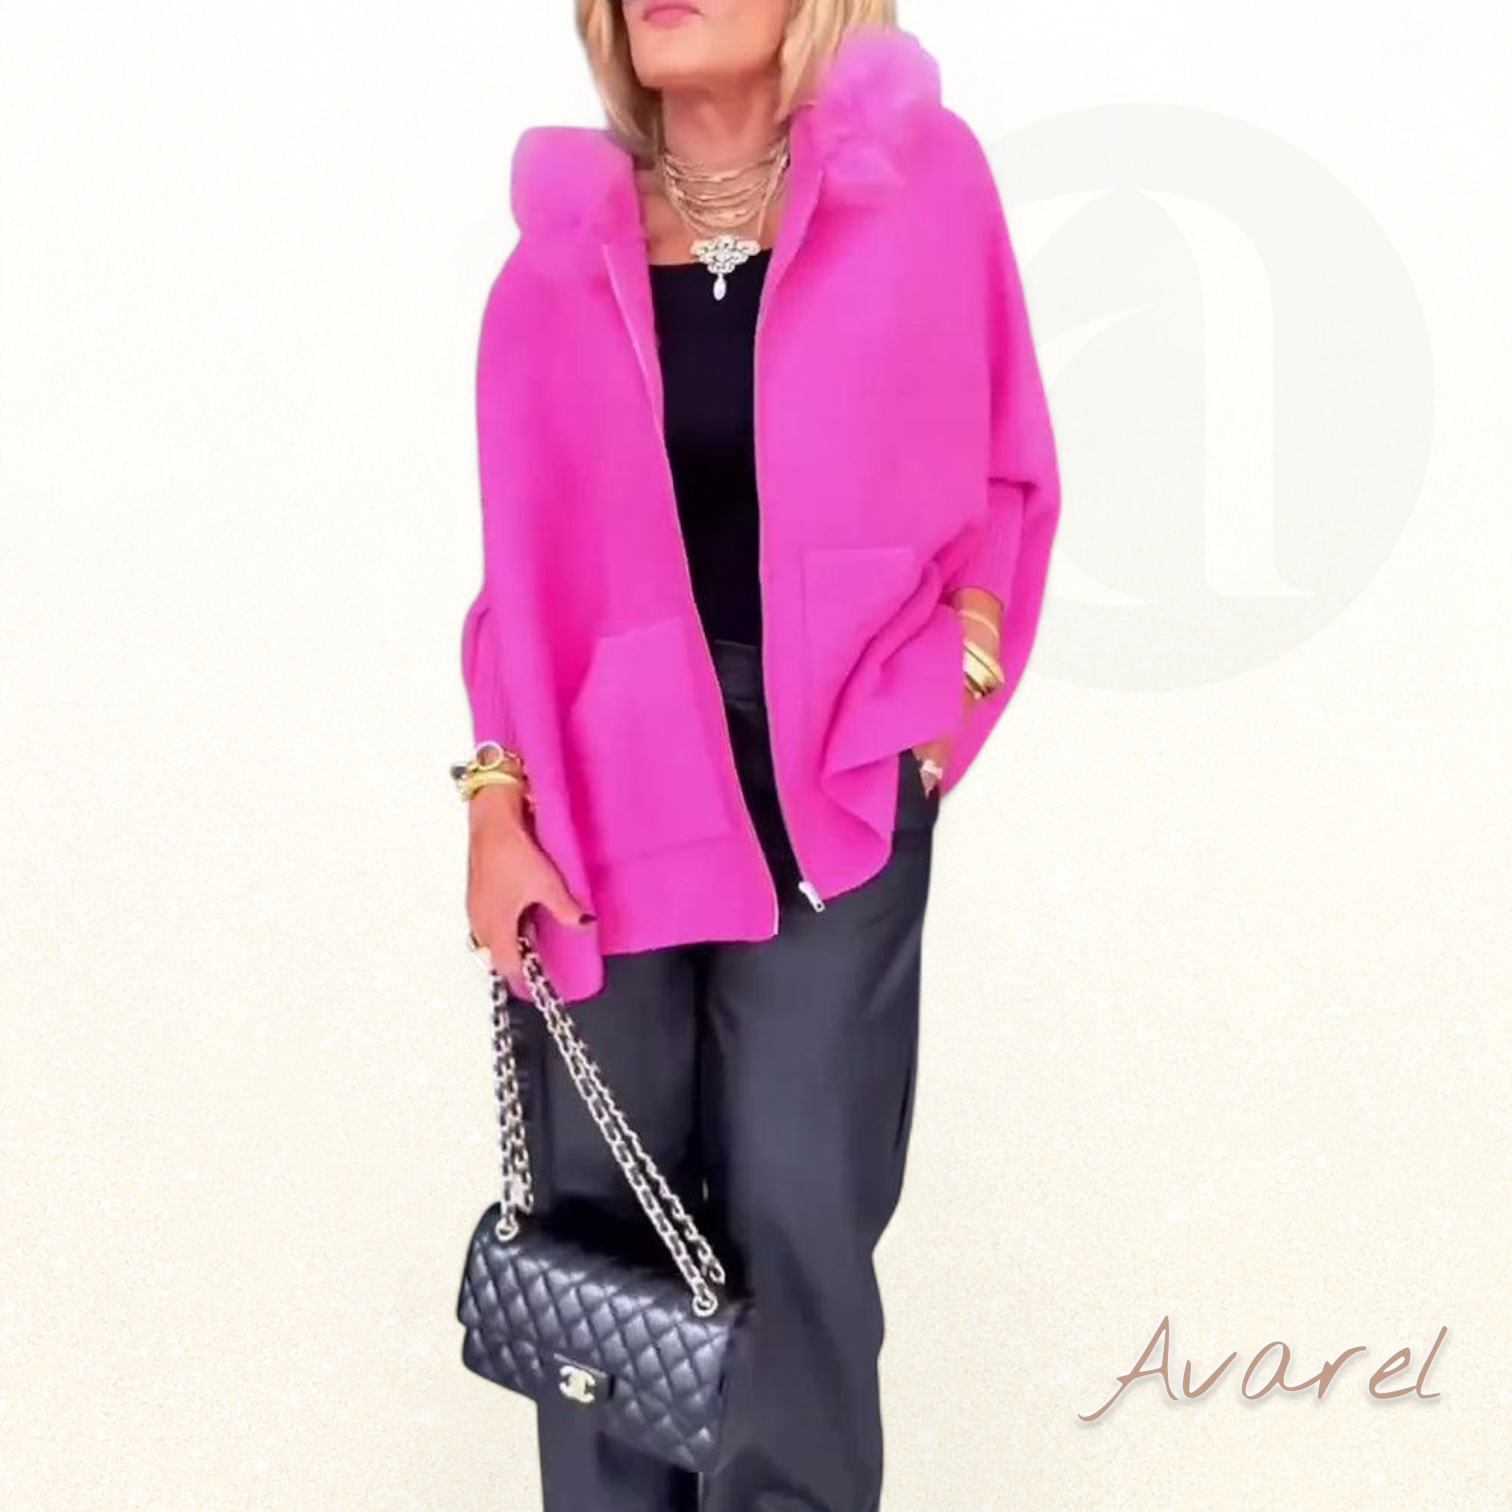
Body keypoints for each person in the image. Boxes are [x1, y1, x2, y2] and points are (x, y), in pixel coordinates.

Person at [457, 2, 1060, 1507]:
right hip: (601, 791)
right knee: (609, 1230)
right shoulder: (557, 257)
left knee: (801, 1206)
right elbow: (520, 580)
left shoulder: (920, 185)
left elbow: (1006, 465)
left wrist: (948, 690)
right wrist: (493, 801)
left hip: (835, 768)